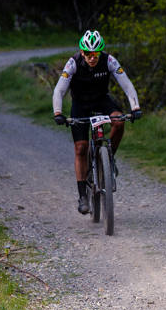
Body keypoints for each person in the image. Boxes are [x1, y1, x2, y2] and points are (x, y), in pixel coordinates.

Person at [52, 30, 142, 214]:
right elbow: (59, 90)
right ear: (81, 51)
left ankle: (109, 158)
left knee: (118, 121)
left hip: (101, 100)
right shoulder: (73, 63)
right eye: (88, 54)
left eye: (96, 54)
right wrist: (58, 112)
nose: (92, 58)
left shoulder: (109, 61)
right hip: (80, 104)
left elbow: (126, 84)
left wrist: (135, 107)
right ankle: (82, 196)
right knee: (81, 148)